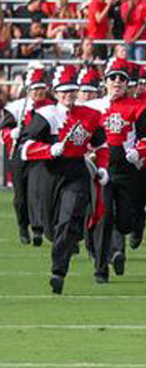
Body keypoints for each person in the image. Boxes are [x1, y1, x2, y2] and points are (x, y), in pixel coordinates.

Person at [20, 66, 107, 294]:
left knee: (68, 221)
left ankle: (59, 271)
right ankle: (62, 243)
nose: (69, 94)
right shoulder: (46, 116)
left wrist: (102, 167)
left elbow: (101, 143)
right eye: (64, 90)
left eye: (72, 90)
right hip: (50, 175)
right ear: (56, 93)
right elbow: (24, 148)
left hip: (76, 173)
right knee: (52, 229)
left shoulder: (89, 116)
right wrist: (49, 149)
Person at [86, 58, 146, 283]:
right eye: (112, 77)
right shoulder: (92, 107)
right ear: (105, 81)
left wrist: (139, 150)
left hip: (128, 170)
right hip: (102, 169)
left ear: (128, 83)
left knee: (126, 220)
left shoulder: (138, 107)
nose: (117, 82)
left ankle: (124, 240)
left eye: (122, 78)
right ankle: (101, 268)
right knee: (105, 216)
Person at [2, 68, 50, 247]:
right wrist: (11, 133)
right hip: (19, 154)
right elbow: (3, 131)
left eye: (41, 88)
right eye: (34, 88)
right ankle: (23, 225)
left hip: (41, 154)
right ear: (28, 89)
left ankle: (38, 228)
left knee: (37, 192)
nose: (38, 92)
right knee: (21, 197)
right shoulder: (15, 108)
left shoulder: (50, 108)